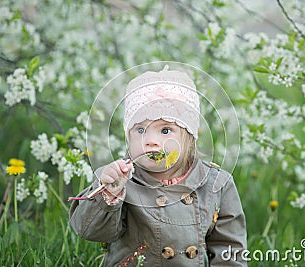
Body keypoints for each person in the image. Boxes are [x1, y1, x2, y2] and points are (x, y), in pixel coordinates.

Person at [69, 65, 247, 266]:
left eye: (165, 131)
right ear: (128, 137)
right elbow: (88, 230)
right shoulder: (121, 180)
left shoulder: (216, 184)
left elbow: (229, 250)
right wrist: (109, 195)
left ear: (189, 137)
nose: (150, 140)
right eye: (140, 129)